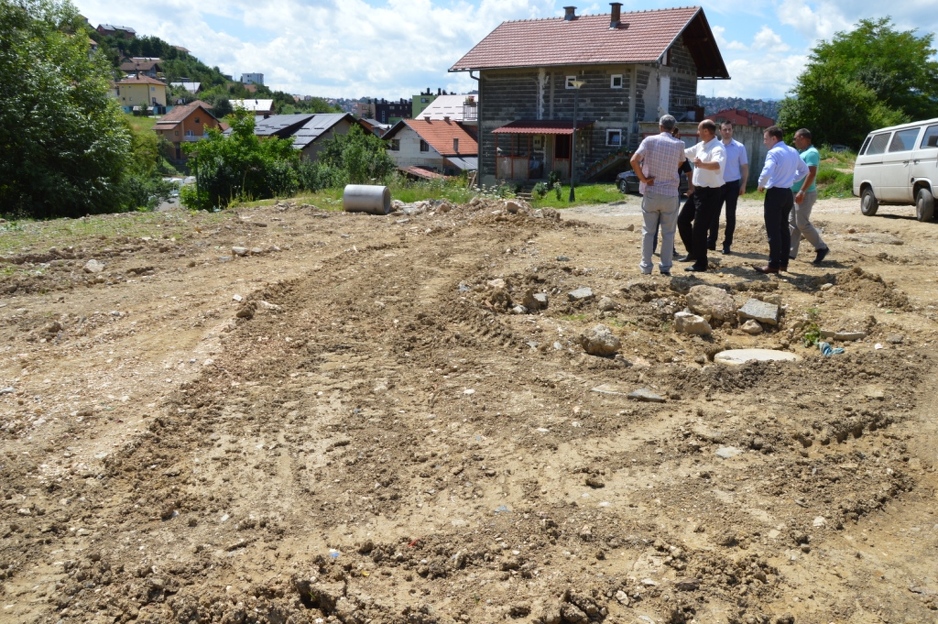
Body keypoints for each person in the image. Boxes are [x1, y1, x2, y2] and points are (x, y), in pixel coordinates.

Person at [630, 114, 688, 277]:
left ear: (660, 126)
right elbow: (680, 162)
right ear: (673, 128)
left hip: (652, 191)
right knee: (668, 233)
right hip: (670, 193)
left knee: (648, 231)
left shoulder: (649, 141)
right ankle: (665, 267)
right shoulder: (679, 144)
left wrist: (643, 179)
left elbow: (634, 160)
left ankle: (646, 266)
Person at [755, 126, 808, 274]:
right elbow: (804, 170)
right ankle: (783, 263)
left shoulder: (774, 152)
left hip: (775, 193)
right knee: (784, 228)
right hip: (787, 193)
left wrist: (761, 184)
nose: (764, 142)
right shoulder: (792, 151)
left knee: (773, 230)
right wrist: (791, 179)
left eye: (766, 139)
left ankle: (773, 264)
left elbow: (767, 170)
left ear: (774, 138)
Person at [680, 119, 725, 272]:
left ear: (706, 131)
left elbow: (717, 164)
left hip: (710, 193)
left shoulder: (718, 147)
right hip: (698, 192)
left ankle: (701, 263)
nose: (697, 132)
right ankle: (693, 252)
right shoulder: (701, 145)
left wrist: (702, 164)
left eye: (699, 130)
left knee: (699, 228)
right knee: (682, 220)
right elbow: (684, 153)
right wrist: (672, 146)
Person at [789, 128, 830, 264]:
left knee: (802, 223)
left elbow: (811, 173)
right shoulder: (801, 152)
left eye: (795, 138)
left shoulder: (811, 153)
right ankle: (790, 253)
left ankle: (821, 247)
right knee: (793, 223)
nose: (794, 141)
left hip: (805, 194)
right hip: (795, 193)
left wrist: (802, 191)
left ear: (802, 138)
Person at [709, 121, 749, 254]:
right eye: (725, 129)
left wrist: (743, 184)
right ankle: (711, 241)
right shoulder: (715, 146)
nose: (727, 132)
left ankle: (727, 244)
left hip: (732, 184)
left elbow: (744, 166)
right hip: (717, 184)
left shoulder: (739, 147)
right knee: (714, 214)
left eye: (729, 129)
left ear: (732, 130)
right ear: (720, 131)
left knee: (730, 215)